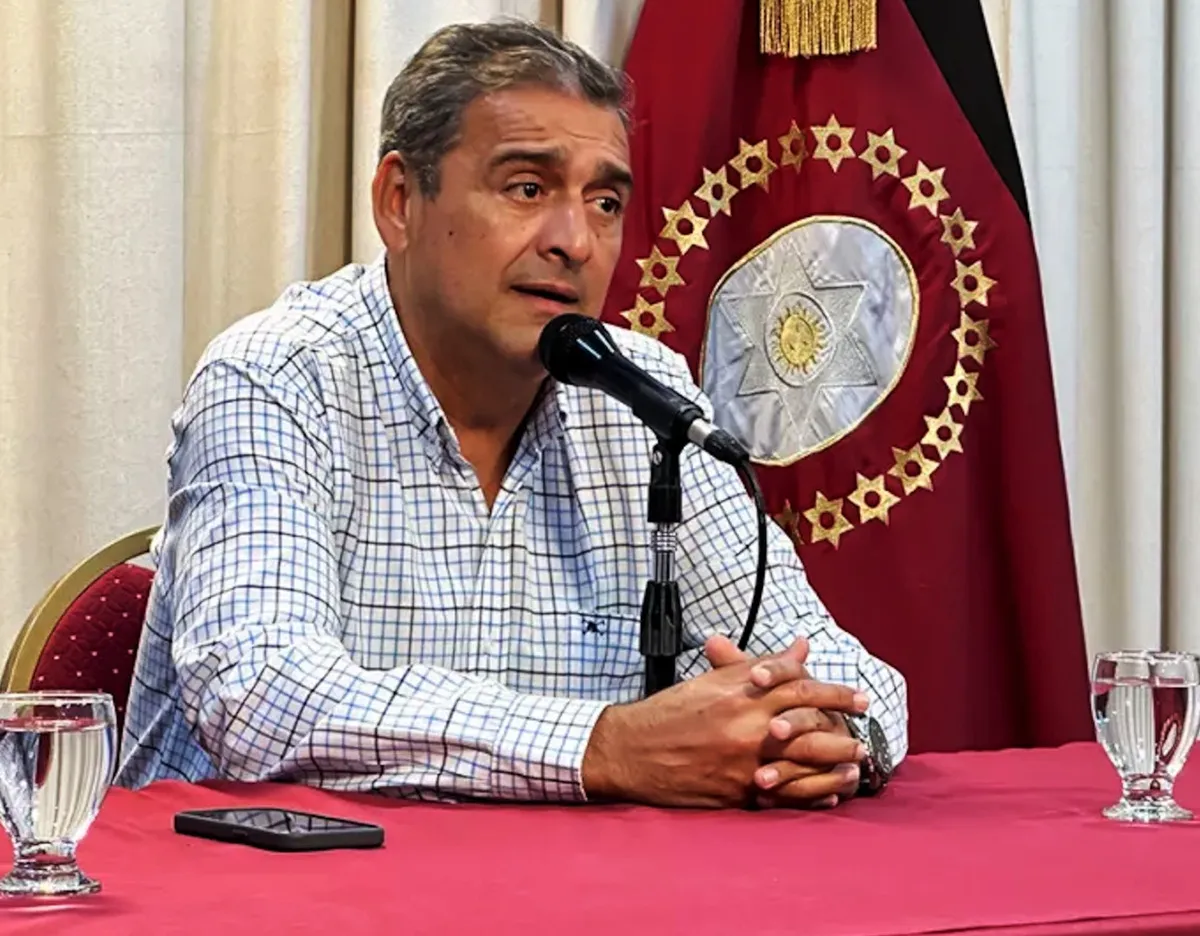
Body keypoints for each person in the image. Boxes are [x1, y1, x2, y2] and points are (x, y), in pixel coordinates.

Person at [117, 19, 907, 809]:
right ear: (400, 202)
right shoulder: (277, 379)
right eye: (528, 189)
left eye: (605, 203)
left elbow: (848, 676)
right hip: (265, 875)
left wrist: (818, 738)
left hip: (555, 877)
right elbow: (260, 698)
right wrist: (607, 747)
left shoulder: (646, 399)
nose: (575, 242)